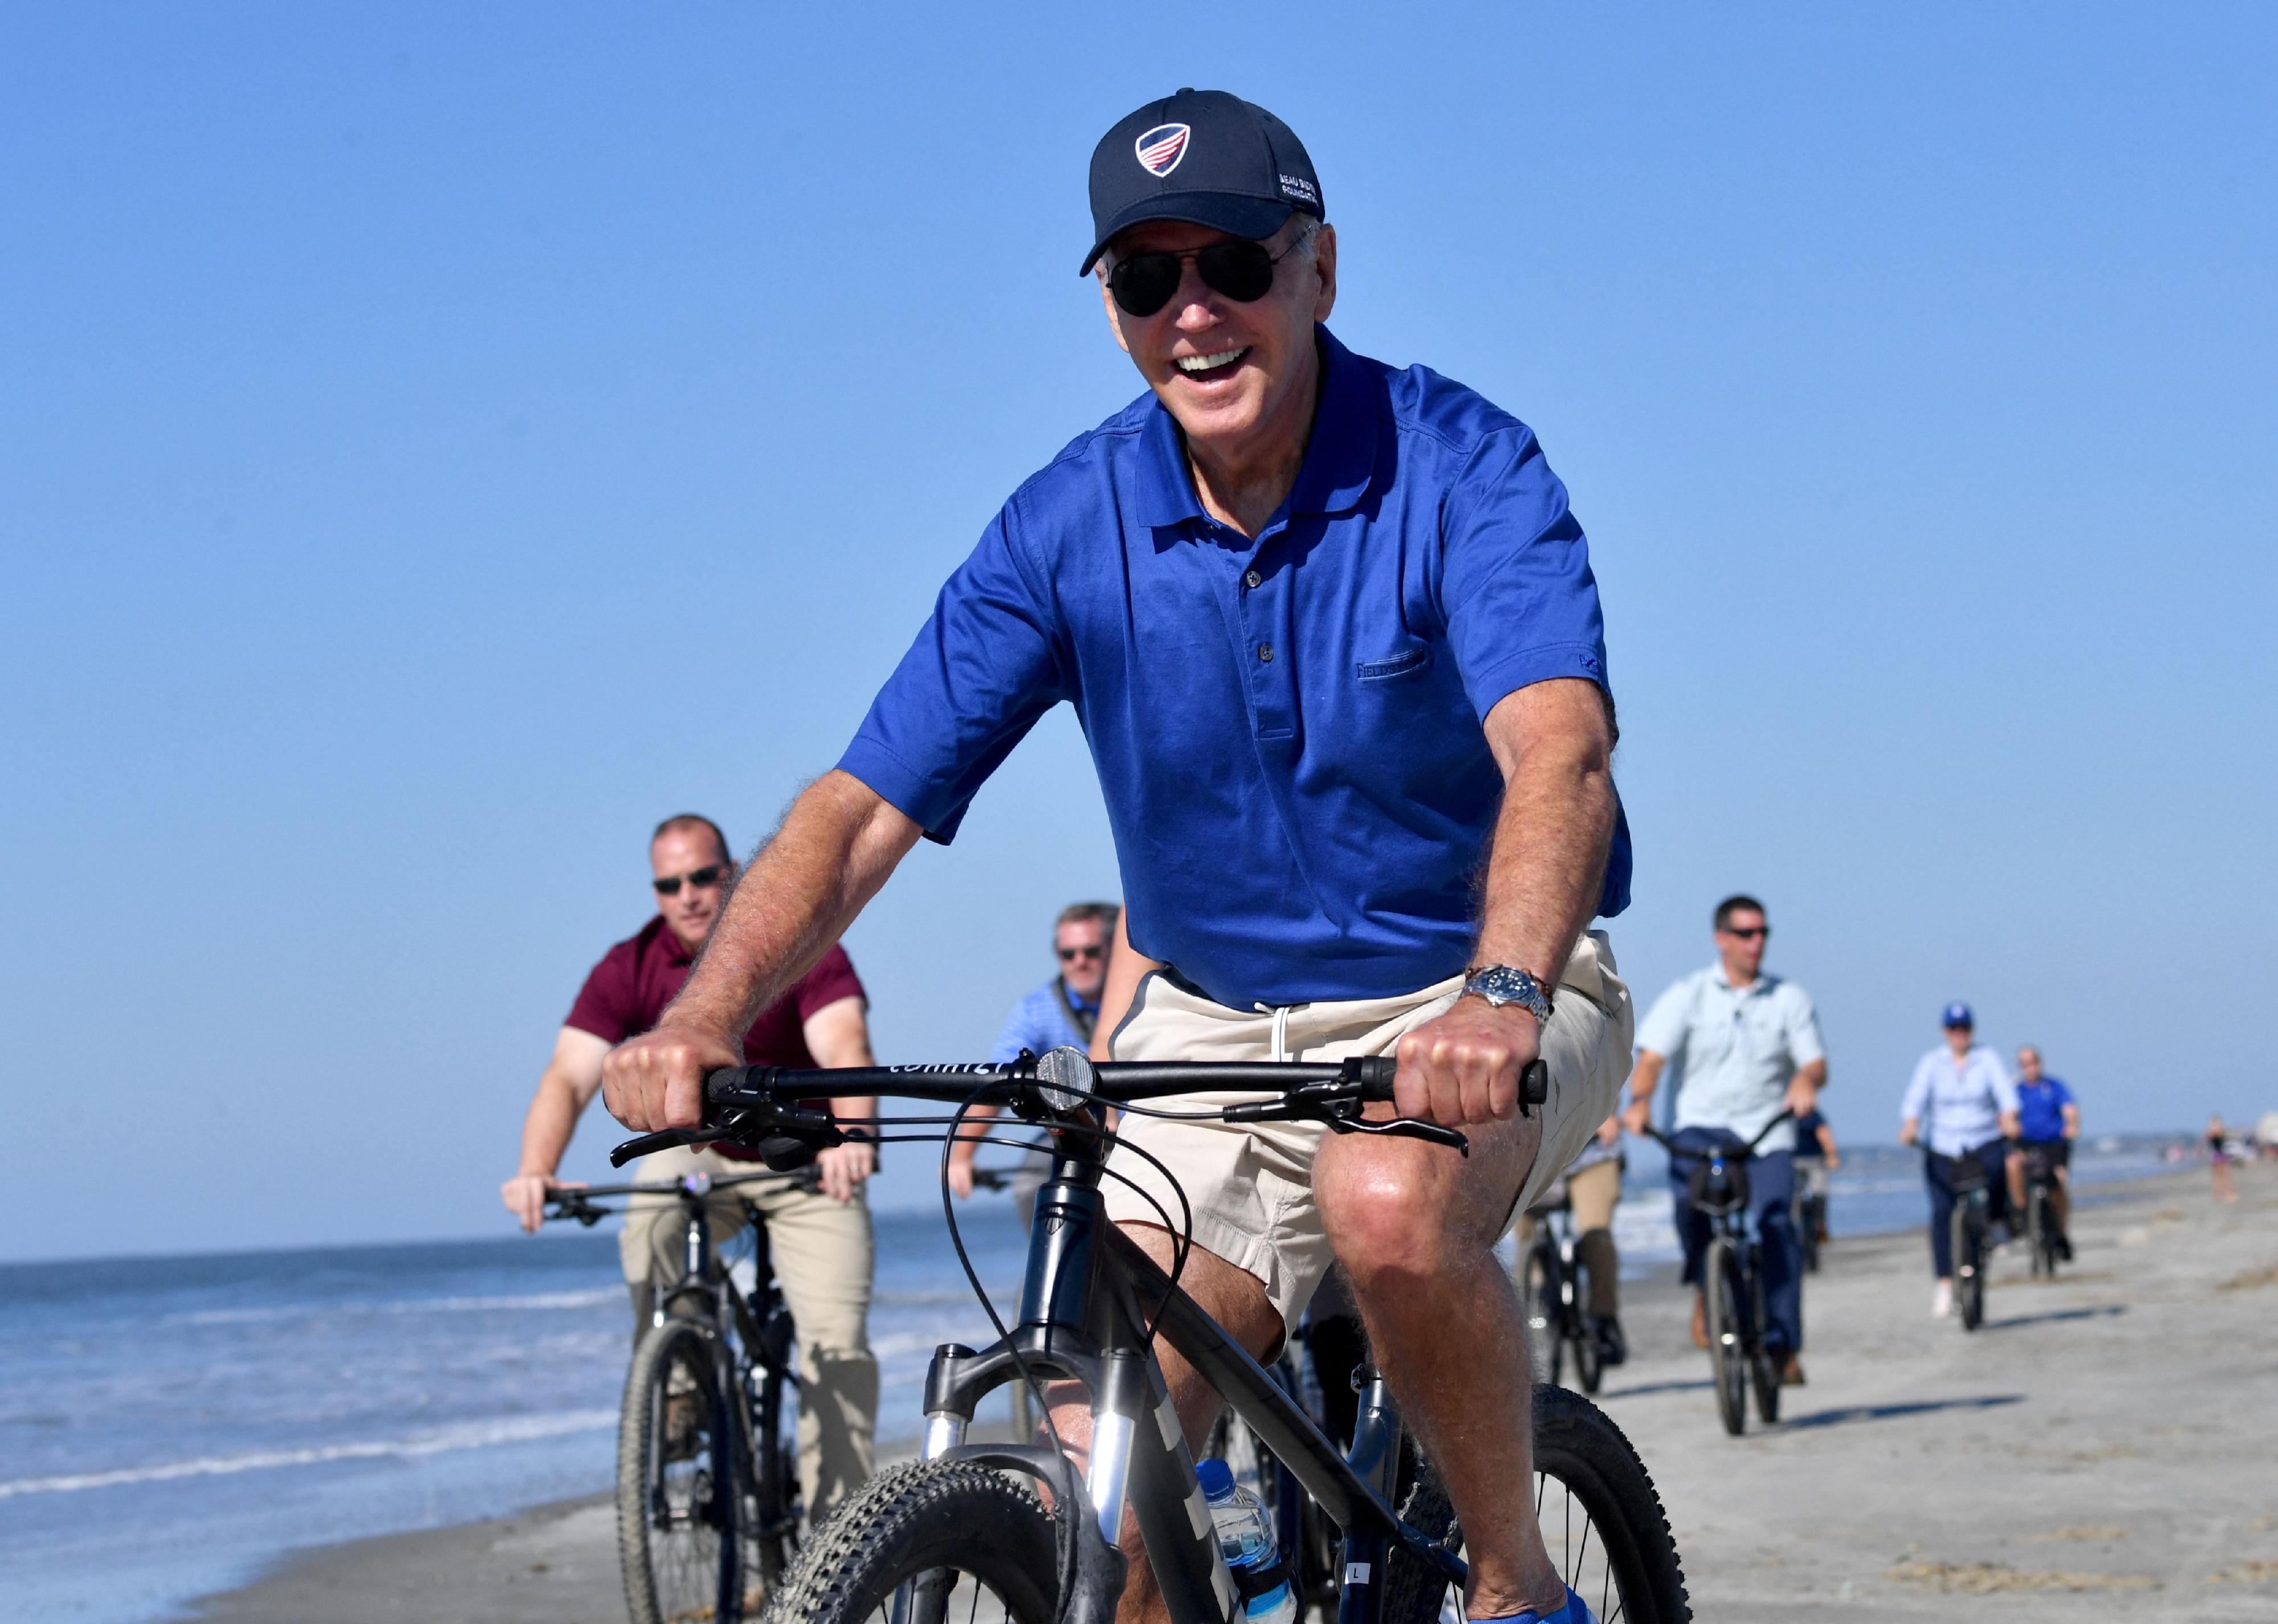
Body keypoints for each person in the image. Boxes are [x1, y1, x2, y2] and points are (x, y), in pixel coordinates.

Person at [602, 87, 1636, 1624]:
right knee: (1112, 1449)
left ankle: (1511, 1584)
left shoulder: (1458, 465)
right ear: (1110, 311)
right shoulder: (1068, 523)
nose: (1194, 314)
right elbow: (858, 808)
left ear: (1319, 272)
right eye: (1145, 281)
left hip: (1476, 993)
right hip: (1210, 1027)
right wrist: (701, 1012)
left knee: (1382, 1206)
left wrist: (1491, 992)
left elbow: (1556, 756)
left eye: (1230, 263)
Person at [499, 814, 882, 1524]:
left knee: (836, 1345)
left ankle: (839, 1539)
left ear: (732, 873)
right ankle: (678, 1383)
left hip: (806, 1152)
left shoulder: (792, 939)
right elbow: (568, 1075)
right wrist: (535, 1168)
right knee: (649, 1219)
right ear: (656, 894)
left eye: (704, 876)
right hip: (700, 1145)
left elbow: (844, 1041)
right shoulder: (630, 966)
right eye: (671, 884)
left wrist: (854, 1135)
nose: (691, 894)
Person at [1620, 895, 1825, 1385]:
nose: (1756, 943)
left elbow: (1814, 1063)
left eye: (1762, 933)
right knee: (1690, 1211)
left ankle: (1781, 1344)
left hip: (1765, 1134)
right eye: (1745, 934)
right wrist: (1641, 1101)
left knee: (1777, 1228)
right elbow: (1650, 1059)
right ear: (1721, 939)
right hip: (1701, 1127)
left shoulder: (1788, 998)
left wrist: (1805, 1083)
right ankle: (1704, 1285)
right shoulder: (1689, 994)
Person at [947, 901, 1121, 1213]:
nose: (1079, 962)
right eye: (1068, 954)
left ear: (1115, 951)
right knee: (1030, 1188)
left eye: (1091, 952)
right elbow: (999, 1079)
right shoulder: (1036, 1011)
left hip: (1139, 1129)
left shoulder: (1146, 998)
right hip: (1073, 1132)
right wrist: (962, 1154)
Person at [1898, 1002, 2020, 1319]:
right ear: (1944, 1032)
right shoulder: (1931, 1063)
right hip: (1944, 1147)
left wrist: (2009, 1117)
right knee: (1941, 1212)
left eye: (1964, 1028)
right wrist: (1910, 1126)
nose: (1959, 1034)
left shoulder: (1987, 1058)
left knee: (1999, 1167)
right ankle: (1944, 1283)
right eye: (1954, 1029)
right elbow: (1915, 1099)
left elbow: (2006, 1096)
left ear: (1971, 1030)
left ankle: (1996, 1222)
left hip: (1981, 1141)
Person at [1517, 1119, 1628, 1367]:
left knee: (1596, 1234)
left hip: (1592, 1154)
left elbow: (1610, 1080)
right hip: (1532, 1151)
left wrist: (1608, 1112)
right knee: (1523, 1230)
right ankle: (1534, 1295)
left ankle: (1604, 1319)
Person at [2005, 1046, 2078, 1258]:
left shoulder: (2054, 1086)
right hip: (2026, 1144)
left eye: (2033, 1061)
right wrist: (2009, 1126)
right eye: (2025, 1063)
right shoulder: (2016, 1090)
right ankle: (2020, 1211)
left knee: (2059, 1182)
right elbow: (2005, 1115)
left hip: (2054, 1144)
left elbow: (2070, 1109)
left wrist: (2072, 1124)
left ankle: (2062, 1232)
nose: (2030, 1067)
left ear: (2040, 1062)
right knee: (2012, 1163)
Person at [1791, 1104, 1839, 1243]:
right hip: (1793, 1162)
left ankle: (1820, 1224)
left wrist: (1832, 1155)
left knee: (1820, 1192)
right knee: (1794, 1196)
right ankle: (1794, 1227)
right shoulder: (1786, 1114)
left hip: (1815, 1161)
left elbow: (1824, 1135)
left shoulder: (1814, 1115)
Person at [2208, 1113, 2239, 1203]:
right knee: (2222, 1175)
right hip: (2219, 1154)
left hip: (2217, 1154)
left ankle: (2221, 1193)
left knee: (2220, 1175)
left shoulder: (2214, 1131)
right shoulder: (2216, 1131)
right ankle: (2225, 1193)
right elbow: (2215, 1137)